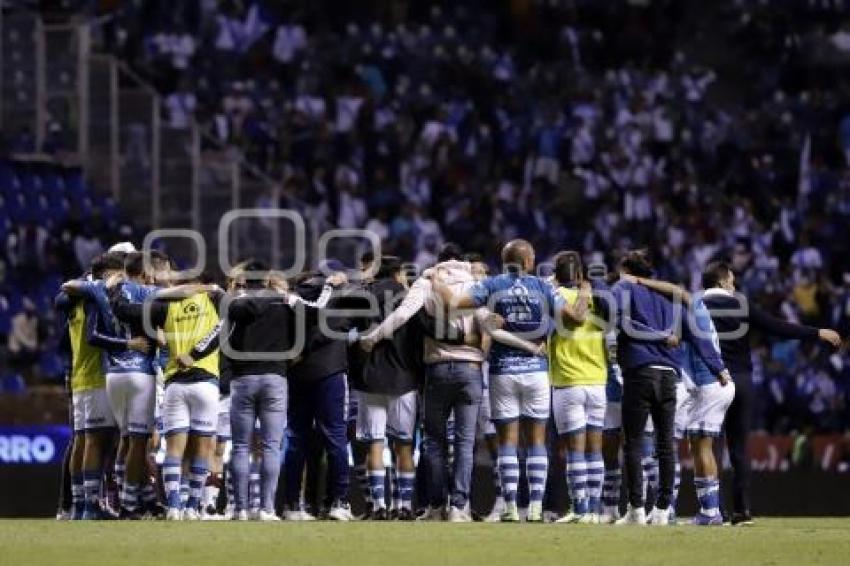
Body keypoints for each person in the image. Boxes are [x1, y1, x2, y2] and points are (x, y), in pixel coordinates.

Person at [429, 239, 566, 522]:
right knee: (537, 440)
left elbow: (452, 302)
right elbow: (574, 317)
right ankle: (537, 507)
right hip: (537, 370)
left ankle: (511, 508)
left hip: (503, 370)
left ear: (505, 262)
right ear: (528, 261)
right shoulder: (543, 287)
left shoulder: (492, 286)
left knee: (507, 442)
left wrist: (434, 278)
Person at [699, 261, 841, 525]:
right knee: (740, 448)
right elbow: (777, 326)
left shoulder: (697, 305)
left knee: (713, 447)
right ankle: (742, 511)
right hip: (741, 381)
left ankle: (713, 510)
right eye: (731, 280)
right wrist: (817, 332)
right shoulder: (740, 304)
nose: (734, 284)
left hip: (712, 382)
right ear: (721, 282)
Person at [611, 250, 731, 526]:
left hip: (640, 371)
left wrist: (658, 337)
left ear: (626, 269)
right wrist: (718, 368)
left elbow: (622, 324)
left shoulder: (623, 287)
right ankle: (664, 509)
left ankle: (637, 509)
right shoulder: (671, 298)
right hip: (669, 377)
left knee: (633, 443)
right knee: (666, 444)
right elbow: (696, 335)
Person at [111, 277, 222, 520]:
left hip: (175, 383)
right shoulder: (214, 298)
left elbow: (125, 312)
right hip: (206, 382)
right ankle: (192, 507)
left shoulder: (164, 305)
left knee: (174, 449)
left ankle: (173, 506)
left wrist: (115, 290)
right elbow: (222, 329)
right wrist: (195, 353)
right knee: (202, 449)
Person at [548, 252, 607, 524]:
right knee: (595, 449)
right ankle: (595, 510)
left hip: (569, 381)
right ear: (581, 275)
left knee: (575, 450)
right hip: (598, 380)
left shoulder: (553, 296)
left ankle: (579, 508)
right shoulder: (598, 297)